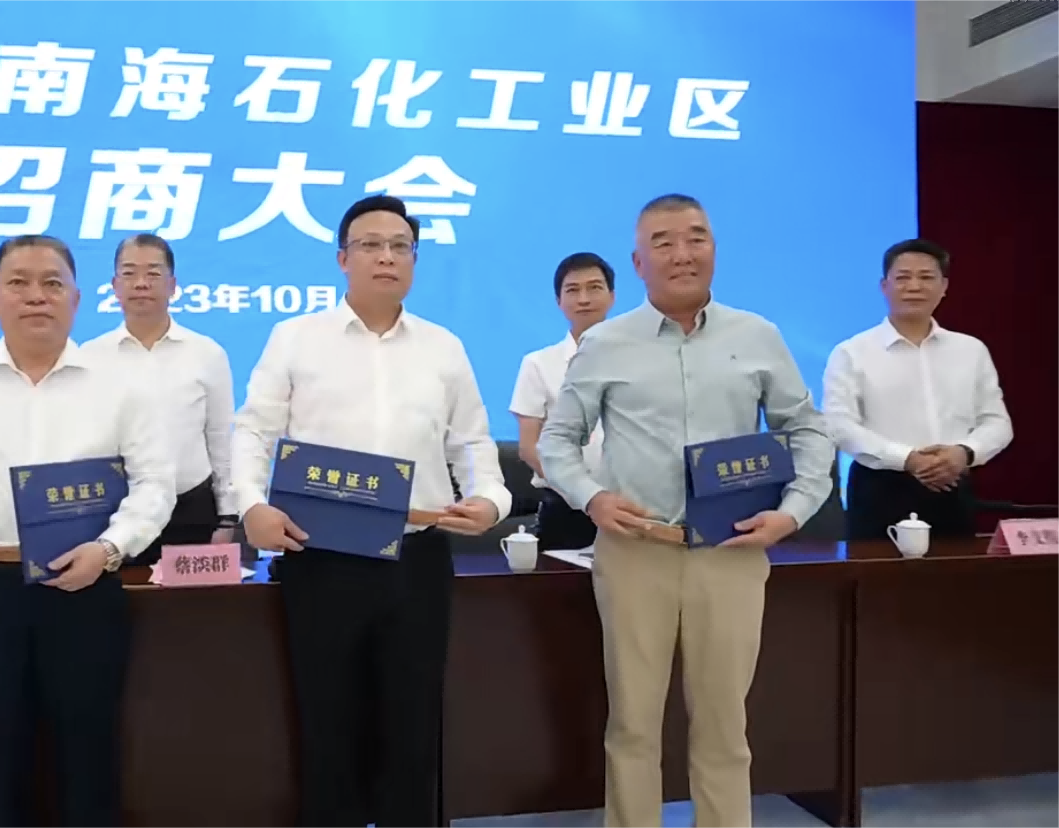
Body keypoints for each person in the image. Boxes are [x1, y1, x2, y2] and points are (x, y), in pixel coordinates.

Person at [537, 194, 832, 828]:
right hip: (636, 552)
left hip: (732, 552)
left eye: (696, 237)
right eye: (664, 242)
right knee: (633, 724)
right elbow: (558, 439)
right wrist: (592, 496)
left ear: (714, 249)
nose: (682, 253)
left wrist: (795, 510)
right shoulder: (606, 342)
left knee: (725, 726)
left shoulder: (757, 336)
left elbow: (806, 429)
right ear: (638, 262)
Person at [233, 195, 511, 828]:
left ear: (414, 259)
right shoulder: (296, 338)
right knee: (327, 725)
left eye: (400, 246)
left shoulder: (443, 347)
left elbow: (472, 442)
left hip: (417, 560)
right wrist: (251, 503)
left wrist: (492, 499)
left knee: (414, 727)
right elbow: (253, 430)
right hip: (322, 555)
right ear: (342, 258)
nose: (386, 257)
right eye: (370, 245)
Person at [0, 234, 174, 828]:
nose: (36, 296)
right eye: (19, 283)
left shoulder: (122, 385)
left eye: (52, 283)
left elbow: (155, 484)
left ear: (76, 298)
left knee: (89, 752)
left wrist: (110, 548)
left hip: (87, 587)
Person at [823, 238, 1012, 540]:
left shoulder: (971, 350)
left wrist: (964, 453)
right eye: (903, 277)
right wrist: (907, 458)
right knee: (877, 570)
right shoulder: (851, 352)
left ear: (944, 286)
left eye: (926, 277)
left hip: (952, 484)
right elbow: (839, 425)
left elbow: (997, 422)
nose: (914, 286)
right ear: (884, 286)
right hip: (881, 489)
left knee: (956, 569)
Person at [82, 234, 237, 564]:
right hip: (117, 513)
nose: (141, 283)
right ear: (114, 285)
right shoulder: (89, 357)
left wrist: (228, 516)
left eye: (153, 273)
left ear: (172, 285)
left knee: (192, 599)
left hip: (193, 509)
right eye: (129, 273)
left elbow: (221, 439)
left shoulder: (207, 353)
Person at [509, 252, 617, 551]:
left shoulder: (639, 360)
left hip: (629, 505)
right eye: (573, 290)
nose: (584, 299)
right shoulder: (538, 364)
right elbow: (529, 447)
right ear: (559, 301)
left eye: (594, 288)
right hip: (565, 509)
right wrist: (585, 493)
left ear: (612, 296)